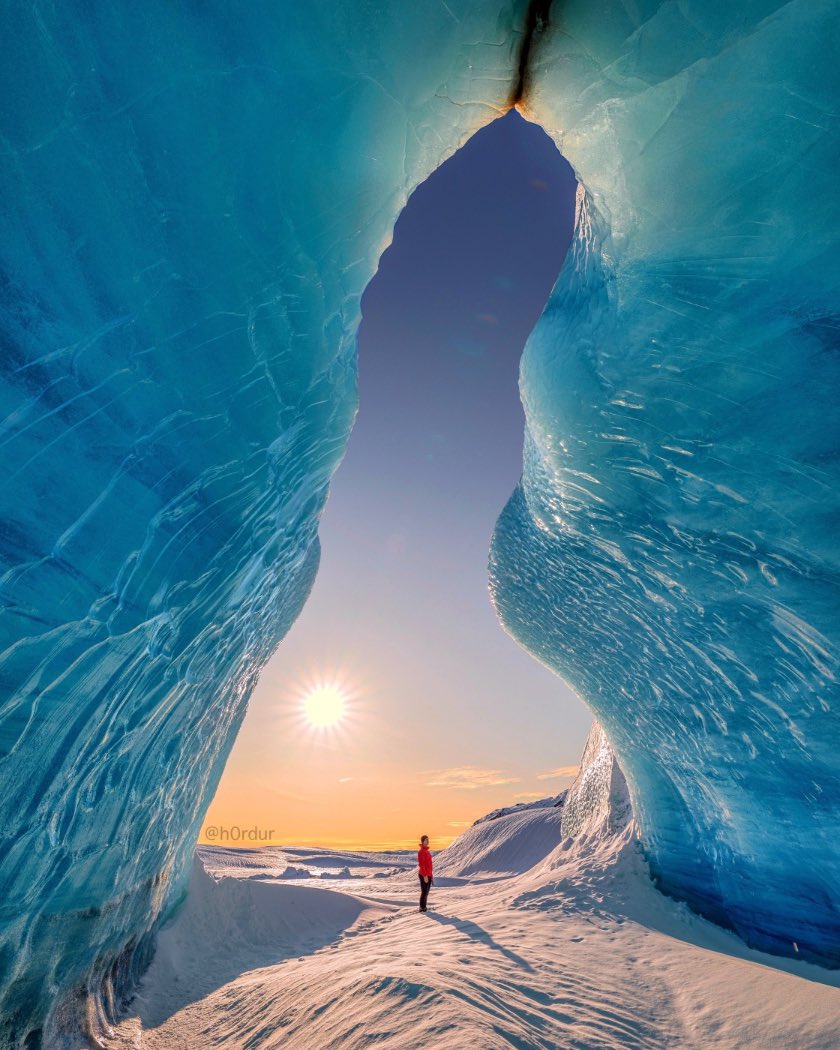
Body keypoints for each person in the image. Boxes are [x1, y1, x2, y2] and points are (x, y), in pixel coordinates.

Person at [418, 834, 433, 912]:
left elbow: (429, 864)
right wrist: (425, 875)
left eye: (428, 840)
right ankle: (422, 907)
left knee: (426, 892)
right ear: (422, 841)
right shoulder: (421, 852)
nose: (427, 841)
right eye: (426, 840)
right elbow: (422, 864)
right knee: (424, 891)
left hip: (429, 874)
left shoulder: (427, 851)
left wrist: (430, 875)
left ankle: (424, 907)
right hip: (424, 875)